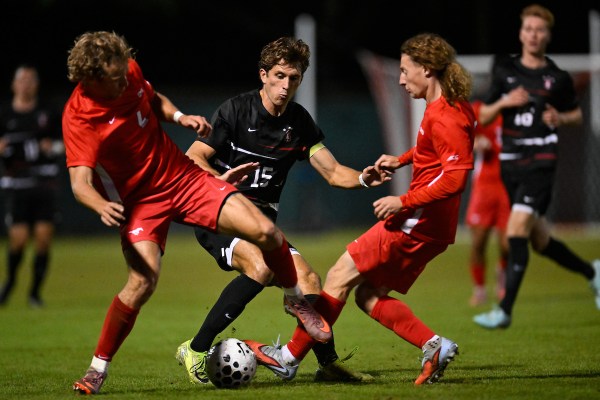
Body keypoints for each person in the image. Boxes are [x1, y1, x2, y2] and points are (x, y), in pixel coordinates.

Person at [62, 31, 331, 395]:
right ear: (91, 80)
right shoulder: (79, 117)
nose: (125, 79)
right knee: (142, 282)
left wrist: (178, 115)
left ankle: (294, 298)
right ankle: (98, 369)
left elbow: (152, 98)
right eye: (115, 78)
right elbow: (80, 183)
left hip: (183, 179)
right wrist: (99, 204)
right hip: (142, 203)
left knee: (267, 234)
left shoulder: (126, 71)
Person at [245, 32, 475, 385]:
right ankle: (434, 345)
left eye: (404, 70)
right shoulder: (450, 109)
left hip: (418, 221)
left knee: (338, 274)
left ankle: (288, 358)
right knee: (368, 295)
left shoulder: (446, 116)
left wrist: (403, 200)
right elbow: (436, 153)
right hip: (431, 226)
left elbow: (455, 179)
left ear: (427, 69)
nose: (399, 79)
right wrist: (402, 161)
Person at [176, 36, 387, 384]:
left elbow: (333, 172)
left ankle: (328, 364)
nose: (286, 85)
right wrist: (222, 182)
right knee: (259, 268)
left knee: (309, 279)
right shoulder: (235, 111)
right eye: (279, 76)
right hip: (220, 214)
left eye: (294, 78)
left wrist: (364, 178)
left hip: (263, 224)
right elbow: (193, 158)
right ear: (264, 75)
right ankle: (196, 349)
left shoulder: (299, 122)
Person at [473, 4, 600, 330]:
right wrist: (504, 102)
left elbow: (576, 115)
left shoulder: (556, 77)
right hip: (510, 164)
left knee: (514, 232)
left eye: (539, 30)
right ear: (521, 33)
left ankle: (504, 310)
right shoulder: (505, 71)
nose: (533, 34)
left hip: (541, 161)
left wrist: (560, 117)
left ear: (547, 35)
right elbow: (483, 116)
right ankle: (593, 272)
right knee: (540, 240)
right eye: (528, 29)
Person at [0, 64, 64, 308]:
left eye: (30, 79)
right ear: (14, 85)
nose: (25, 84)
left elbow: (67, 145)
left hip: (44, 183)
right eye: (21, 80)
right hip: (17, 185)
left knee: (43, 239)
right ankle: (10, 282)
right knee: (17, 239)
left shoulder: (47, 111)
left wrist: (53, 147)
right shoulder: (5, 113)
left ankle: (35, 293)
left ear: (36, 84)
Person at [464, 100, 509, 306]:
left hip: (509, 185)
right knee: (479, 241)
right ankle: (479, 289)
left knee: (508, 243)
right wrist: (476, 142)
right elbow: (462, 136)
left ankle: (502, 275)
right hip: (485, 187)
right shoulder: (480, 111)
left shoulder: (516, 114)